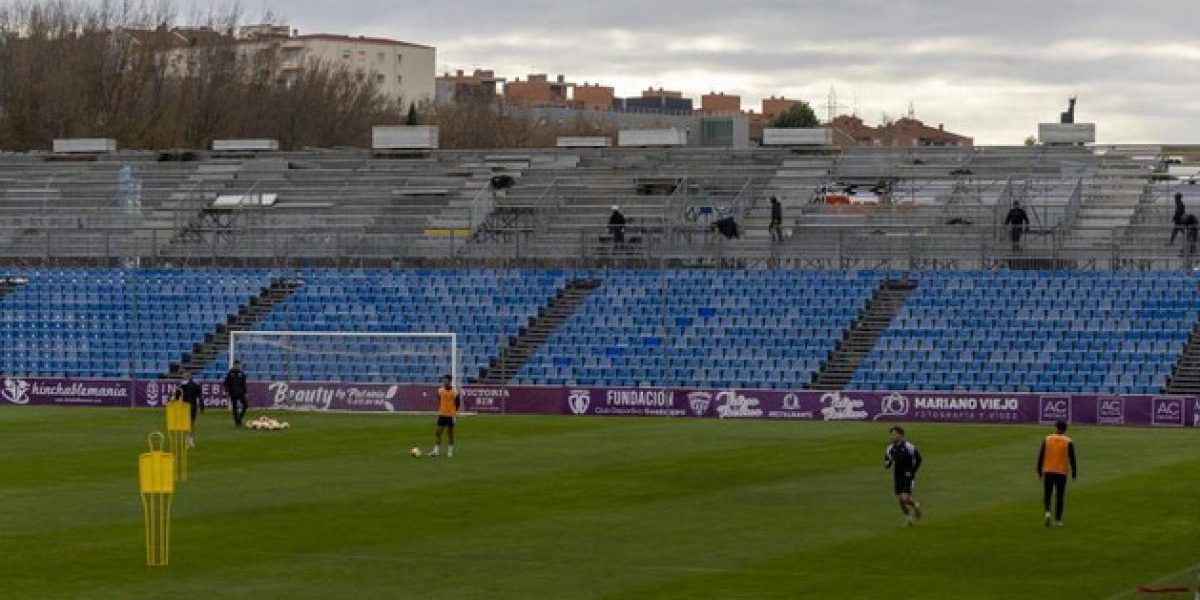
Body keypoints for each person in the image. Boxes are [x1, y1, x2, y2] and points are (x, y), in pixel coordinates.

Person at [1036, 420, 1077, 528]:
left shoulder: (1047, 439)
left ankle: (1047, 513)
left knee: (1047, 494)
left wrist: (1039, 470)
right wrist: (1074, 472)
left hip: (1048, 470)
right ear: (1065, 429)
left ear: (1056, 427)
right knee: (1059, 496)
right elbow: (1072, 458)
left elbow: (1041, 455)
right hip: (1061, 472)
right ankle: (1058, 520)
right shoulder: (1068, 441)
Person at [884, 426, 923, 526]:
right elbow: (887, 463)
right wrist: (889, 462)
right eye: (891, 434)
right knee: (900, 500)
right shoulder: (890, 448)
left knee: (904, 498)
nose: (891, 436)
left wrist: (912, 471)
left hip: (907, 476)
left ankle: (915, 505)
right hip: (897, 476)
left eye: (894, 434)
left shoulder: (909, 447)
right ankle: (909, 518)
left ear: (900, 435)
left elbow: (919, 459)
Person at [429, 374, 459, 458]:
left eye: (446, 380)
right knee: (438, 432)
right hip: (442, 414)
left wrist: (454, 413)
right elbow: (439, 400)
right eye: (444, 380)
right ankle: (436, 451)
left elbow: (457, 403)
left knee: (450, 434)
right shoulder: (440, 390)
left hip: (450, 415)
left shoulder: (454, 392)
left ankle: (450, 451)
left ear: (450, 381)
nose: (444, 382)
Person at [179, 371, 203, 448]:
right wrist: (202, 407)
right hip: (193, 406)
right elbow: (200, 396)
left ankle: (187, 441)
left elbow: (177, 394)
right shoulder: (196, 384)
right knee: (192, 423)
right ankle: (191, 440)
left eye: (184, 376)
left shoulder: (183, 384)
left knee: (186, 424)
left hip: (185, 406)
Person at [223, 359, 248, 428]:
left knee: (246, 405)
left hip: (241, 392)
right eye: (236, 365)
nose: (238, 366)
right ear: (234, 365)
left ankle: (240, 417)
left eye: (238, 365)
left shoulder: (241, 373)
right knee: (234, 407)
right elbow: (226, 383)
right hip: (233, 393)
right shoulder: (230, 373)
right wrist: (227, 390)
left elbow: (244, 383)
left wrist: (245, 392)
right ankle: (237, 422)